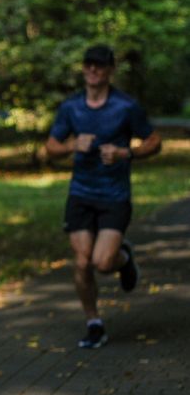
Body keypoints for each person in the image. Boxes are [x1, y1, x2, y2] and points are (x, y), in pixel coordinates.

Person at [45, 44, 161, 349]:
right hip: (81, 194)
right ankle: (93, 322)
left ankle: (124, 258)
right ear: (83, 69)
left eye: (100, 65)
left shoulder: (125, 107)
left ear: (110, 70)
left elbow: (154, 142)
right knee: (82, 263)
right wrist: (71, 146)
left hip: (114, 194)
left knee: (103, 263)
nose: (93, 70)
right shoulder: (71, 108)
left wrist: (126, 152)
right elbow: (51, 148)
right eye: (89, 65)